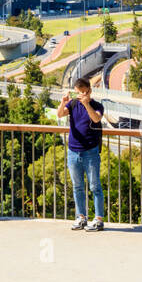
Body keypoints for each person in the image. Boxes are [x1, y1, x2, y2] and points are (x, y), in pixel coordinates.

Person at [58, 78, 105, 231]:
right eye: (77, 93)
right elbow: (59, 114)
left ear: (89, 91)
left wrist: (86, 103)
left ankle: (98, 220)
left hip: (90, 152)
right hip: (73, 152)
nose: (80, 96)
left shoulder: (97, 106)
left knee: (95, 186)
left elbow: (96, 118)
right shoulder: (72, 104)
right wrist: (63, 101)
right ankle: (81, 217)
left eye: (83, 93)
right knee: (77, 187)